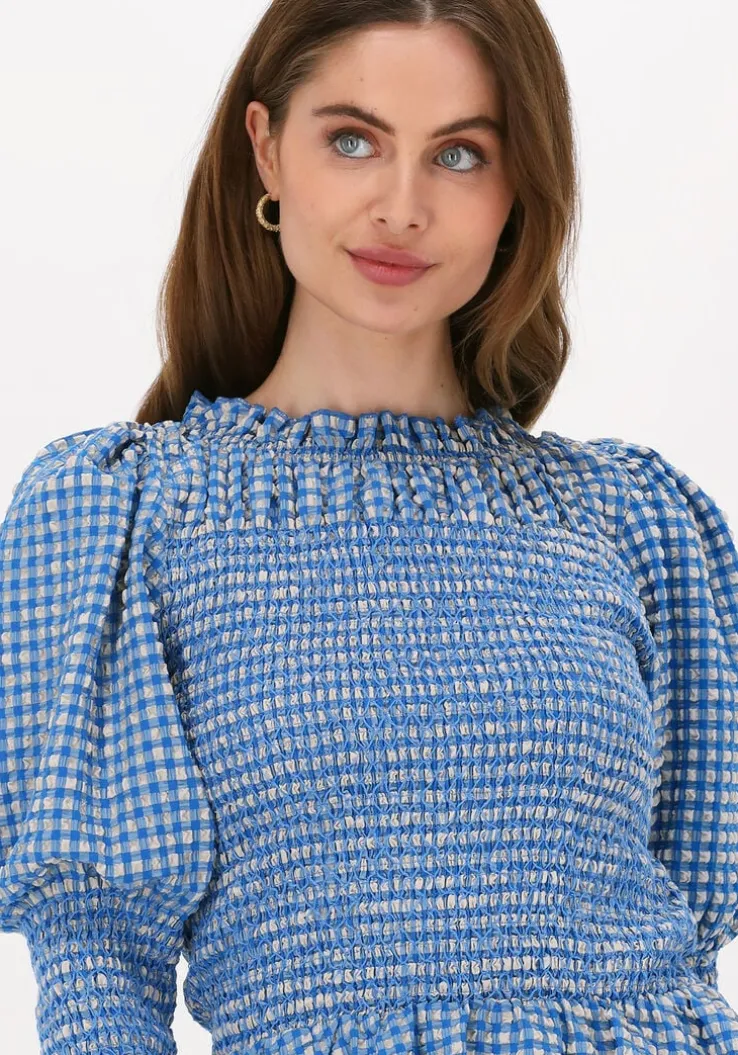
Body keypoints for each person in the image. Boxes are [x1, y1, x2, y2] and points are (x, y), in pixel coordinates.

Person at [2, 1, 737, 1053]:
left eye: (460, 154)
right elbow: (99, 972)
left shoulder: (632, 519)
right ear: (267, 149)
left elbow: (694, 922)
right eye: (353, 140)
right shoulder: (127, 512)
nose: (402, 207)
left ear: (518, 189)